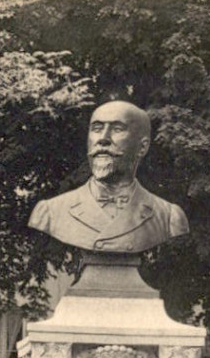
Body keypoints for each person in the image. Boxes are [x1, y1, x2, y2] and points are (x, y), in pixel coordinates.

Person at [28, 100, 189, 254]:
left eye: (117, 129)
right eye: (97, 128)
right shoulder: (50, 213)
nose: (103, 139)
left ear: (142, 147)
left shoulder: (168, 218)